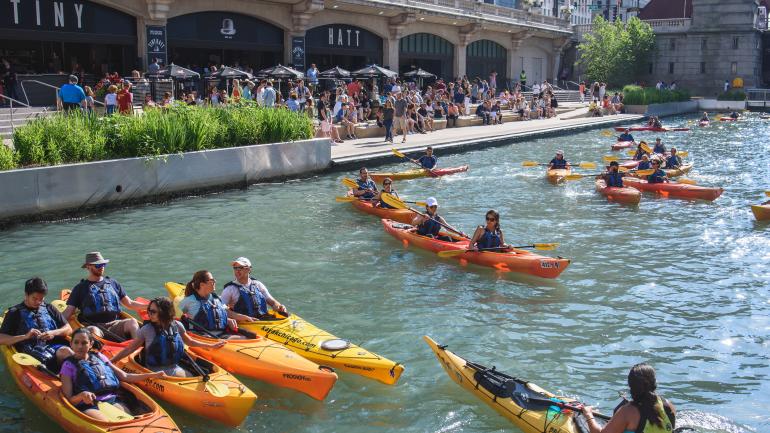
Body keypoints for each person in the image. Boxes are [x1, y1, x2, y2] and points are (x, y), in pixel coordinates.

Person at [61, 328, 165, 421]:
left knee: (128, 421)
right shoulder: (68, 365)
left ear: (91, 344)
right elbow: (69, 400)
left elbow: (125, 376)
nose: (80, 346)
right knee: (106, 422)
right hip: (88, 405)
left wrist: (152, 375)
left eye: (84, 343)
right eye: (76, 342)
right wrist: (81, 396)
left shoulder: (99, 356)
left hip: (112, 399)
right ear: (71, 344)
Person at [108, 297, 225, 377]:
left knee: (197, 374)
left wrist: (211, 345)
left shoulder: (177, 325)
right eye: (149, 310)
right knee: (188, 376)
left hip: (174, 366)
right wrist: (112, 361)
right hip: (155, 370)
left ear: (164, 312)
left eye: (153, 311)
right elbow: (130, 349)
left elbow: (189, 341)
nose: (149, 314)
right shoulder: (146, 330)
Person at [62, 252, 146, 341]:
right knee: (92, 330)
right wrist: (53, 324)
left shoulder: (113, 283)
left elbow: (130, 303)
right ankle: (101, 352)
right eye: (98, 265)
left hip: (115, 323)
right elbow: (68, 312)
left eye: (103, 264)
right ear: (88, 266)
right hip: (94, 326)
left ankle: (140, 350)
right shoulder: (80, 288)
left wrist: (150, 305)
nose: (101, 267)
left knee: (132, 322)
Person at [0, 277, 74, 371]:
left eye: (41, 299)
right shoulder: (14, 313)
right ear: (26, 295)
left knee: (67, 351)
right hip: (30, 351)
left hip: (55, 346)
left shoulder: (49, 308)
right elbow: (1, 339)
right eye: (34, 298)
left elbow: (68, 329)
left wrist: (53, 333)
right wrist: (25, 336)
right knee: (56, 357)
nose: (38, 302)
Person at [582, 363, 676, 433]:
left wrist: (588, 414)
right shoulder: (669, 406)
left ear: (631, 385)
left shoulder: (628, 411)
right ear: (654, 383)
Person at [178, 270, 255, 339]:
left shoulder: (216, 298)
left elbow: (228, 312)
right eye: (212, 280)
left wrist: (244, 317)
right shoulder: (189, 301)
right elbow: (174, 319)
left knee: (247, 337)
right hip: (202, 336)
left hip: (222, 335)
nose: (215, 282)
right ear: (202, 284)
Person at [221, 257, 287, 319]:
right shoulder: (230, 289)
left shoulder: (258, 284)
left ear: (249, 269)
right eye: (235, 268)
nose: (237, 271)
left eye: (240, 268)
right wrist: (239, 317)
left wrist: (279, 307)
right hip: (245, 324)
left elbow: (272, 302)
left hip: (262, 320)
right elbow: (221, 308)